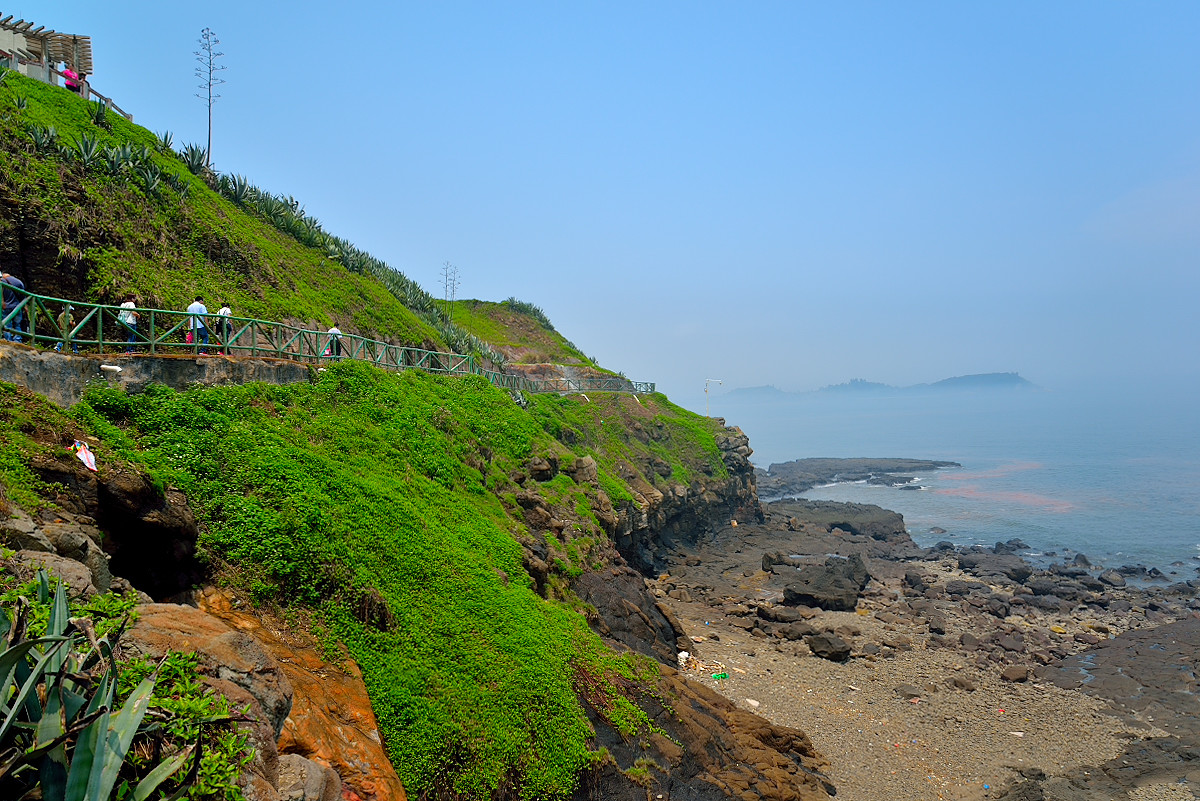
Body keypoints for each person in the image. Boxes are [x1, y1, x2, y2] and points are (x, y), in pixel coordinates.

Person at [2, 270, 26, 342]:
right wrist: (24, 306)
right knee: (17, 325)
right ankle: (17, 340)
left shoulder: (2, 282)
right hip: (17, 307)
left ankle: (8, 341)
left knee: (6, 325)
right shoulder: (18, 282)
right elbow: (23, 295)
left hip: (6, 306)